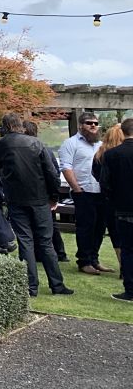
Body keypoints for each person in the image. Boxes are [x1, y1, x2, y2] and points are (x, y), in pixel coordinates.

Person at [0, 112, 72, 297]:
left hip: (16, 199)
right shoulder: (36, 143)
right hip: (39, 198)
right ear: (20, 125)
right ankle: (57, 285)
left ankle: (31, 287)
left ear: (5, 126)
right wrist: (54, 196)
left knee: (25, 242)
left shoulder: (1, 144)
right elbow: (51, 173)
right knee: (46, 242)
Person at [59, 112, 113, 275]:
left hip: (100, 192)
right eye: (89, 123)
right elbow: (66, 167)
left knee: (99, 227)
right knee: (85, 227)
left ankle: (94, 259)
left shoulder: (100, 145)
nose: (93, 126)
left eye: (96, 124)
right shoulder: (71, 143)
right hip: (83, 191)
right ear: (81, 125)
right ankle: (84, 261)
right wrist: (77, 189)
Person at [97, 117, 133, 302]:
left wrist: (113, 199)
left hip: (123, 208)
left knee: (127, 249)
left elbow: (105, 183)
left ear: (124, 132)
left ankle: (130, 290)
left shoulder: (112, 155)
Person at [24, 120, 68, 263]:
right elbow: (54, 172)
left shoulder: (30, 150)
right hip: (47, 193)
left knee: (36, 226)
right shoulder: (46, 149)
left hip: (37, 193)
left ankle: (41, 254)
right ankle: (60, 253)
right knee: (51, 225)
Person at [92, 123, 124, 268]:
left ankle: (123, 265)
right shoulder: (120, 155)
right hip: (123, 199)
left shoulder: (99, 155)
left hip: (107, 199)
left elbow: (97, 175)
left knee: (115, 234)